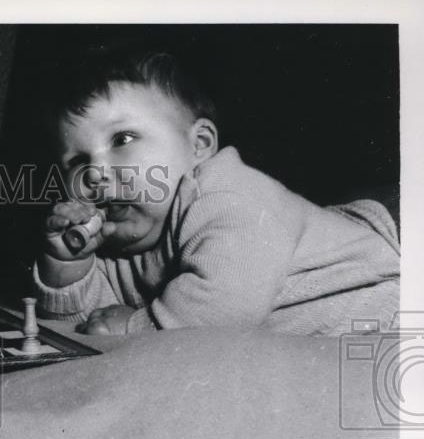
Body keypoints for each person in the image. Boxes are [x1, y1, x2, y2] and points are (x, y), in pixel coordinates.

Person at [36, 49, 400, 336]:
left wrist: (134, 328)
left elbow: (226, 306)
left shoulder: (226, 195)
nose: (96, 174)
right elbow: (89, 329)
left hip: (387, 307)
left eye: (122, 139)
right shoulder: (117, 246)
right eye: (77, 160)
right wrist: (69, 265)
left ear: (199, 145)